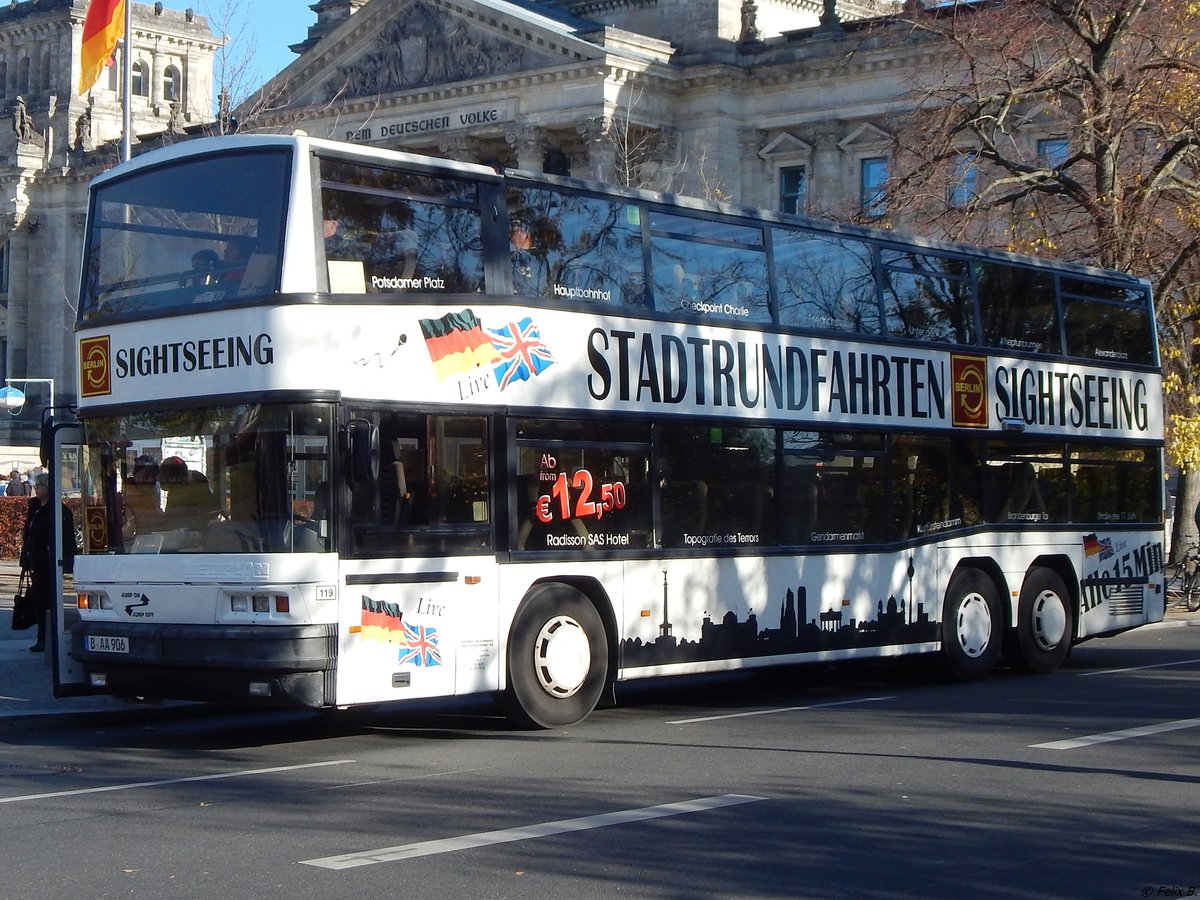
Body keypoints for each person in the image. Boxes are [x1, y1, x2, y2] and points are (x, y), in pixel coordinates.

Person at [19, 472, 75, 652]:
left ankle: (46, 637)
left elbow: (65, 538)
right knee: (38, 599)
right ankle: (43, 636)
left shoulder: (57, 510)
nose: (36, 488)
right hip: (35, 560)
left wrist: (65, 560)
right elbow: (30, 534)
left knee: (43, 599)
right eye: (36, 486)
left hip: (49, 562)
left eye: (39, 486)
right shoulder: (35, 507)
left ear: (48, 488)